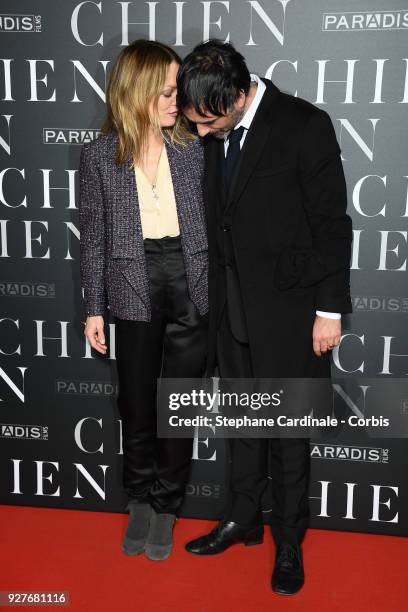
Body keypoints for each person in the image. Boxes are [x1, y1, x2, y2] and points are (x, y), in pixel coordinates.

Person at [177, 40, 352, 594]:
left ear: (233, 97)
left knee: (289, 433)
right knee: (245, 425)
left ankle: (291, 542)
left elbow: (332, 224)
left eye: (207, 121)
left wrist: (331, 309)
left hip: (294, 314)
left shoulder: (303, 124)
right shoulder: (214, 132)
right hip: (233, 312)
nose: (201, 134)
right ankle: (243, 518)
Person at [79, 40, 208, 561]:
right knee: (135, 402)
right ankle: (138, 499)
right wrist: (93, 306)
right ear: (138, 91)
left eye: (177, 90)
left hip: (189, 284)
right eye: (167, 91)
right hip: (131, 285)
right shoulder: (98, 156)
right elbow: (93, 237)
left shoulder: (194, 148)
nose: (177, 100)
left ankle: (167, 506)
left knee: (178, 407)